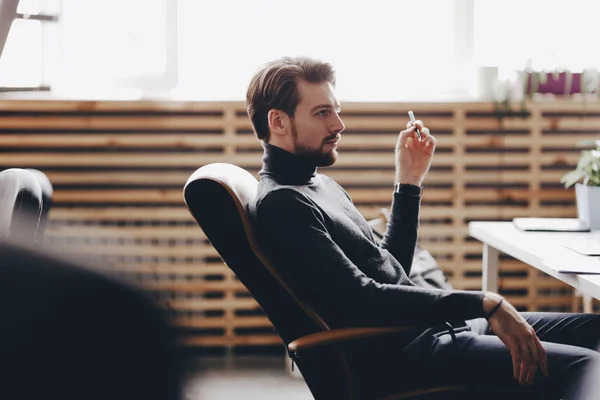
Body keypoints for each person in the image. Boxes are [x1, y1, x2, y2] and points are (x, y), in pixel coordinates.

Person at [246, 56, 600, 399]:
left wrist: (409, 180)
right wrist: (484, 302)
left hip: (437, 333)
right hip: (414, 355)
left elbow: (392, 268)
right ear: (277, 121)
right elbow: (362, 299)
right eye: (322, 112)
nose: (339, 124)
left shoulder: (318, 186)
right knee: (588, 367)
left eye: (336, 110)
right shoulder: (284, 205)